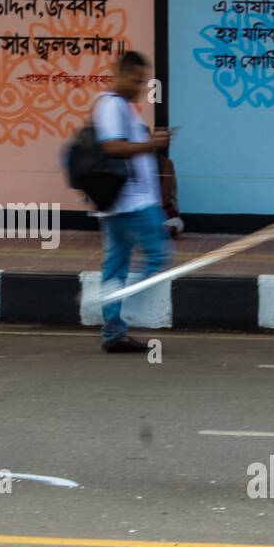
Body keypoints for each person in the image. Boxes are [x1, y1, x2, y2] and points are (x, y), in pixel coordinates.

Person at [94, 51, 173, 353]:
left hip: (122, 204)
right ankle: (127, 300)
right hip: (133, 203)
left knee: (116, 265)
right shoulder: (112, 105)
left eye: (143, 81)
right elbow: (112, 146)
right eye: (136, 79)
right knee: (158, 255)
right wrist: (150, 144)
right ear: (119, 74)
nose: (140, 86)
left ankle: (113, 331)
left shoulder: (123, 107)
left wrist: (149, 143)